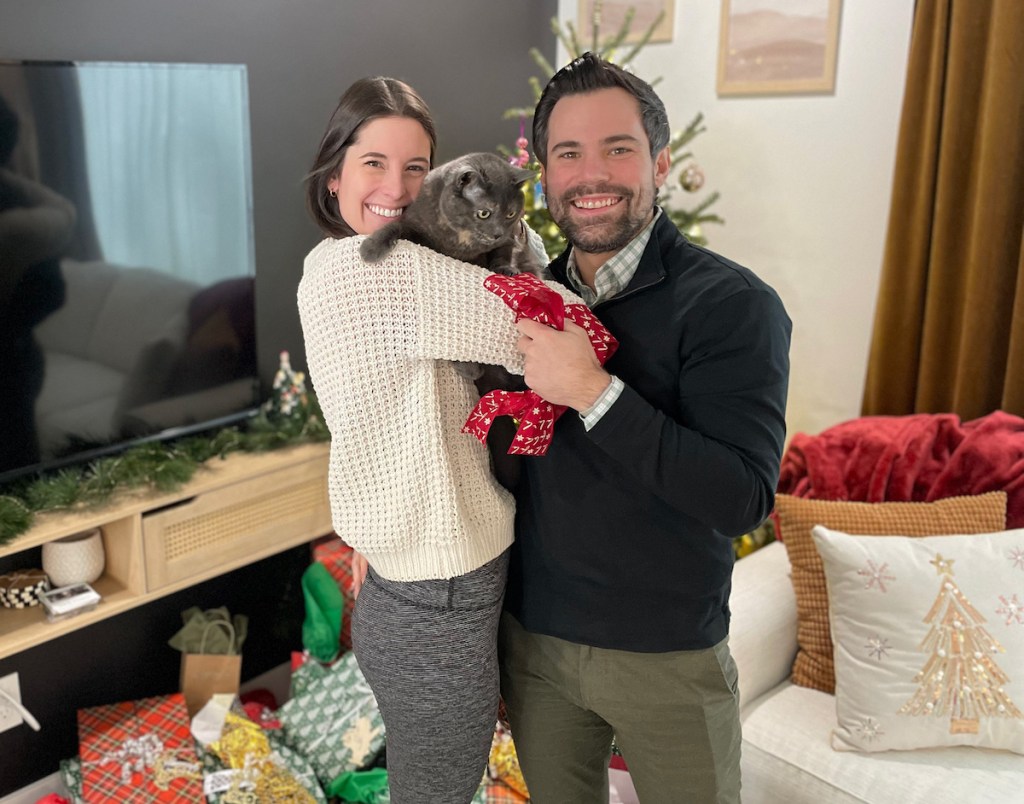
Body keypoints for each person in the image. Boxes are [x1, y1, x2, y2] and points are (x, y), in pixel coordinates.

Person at [498, 53, 792, 803]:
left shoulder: (733, 307)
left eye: (617, 148)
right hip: (536, 647)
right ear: (544, 175)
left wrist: (594, 392)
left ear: (659, 162)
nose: (591, 174)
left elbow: (742, 498)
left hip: (669, 659)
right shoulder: (522, 303)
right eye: (569, 153)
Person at [296, 76, 576, 804]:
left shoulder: (326, 267)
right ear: (333, 177)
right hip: (438, 598)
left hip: (408, 587)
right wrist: (523, 239)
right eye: (373, 164)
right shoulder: (384, 271)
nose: (396, 188)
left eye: (416, 168)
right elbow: (556, 324)